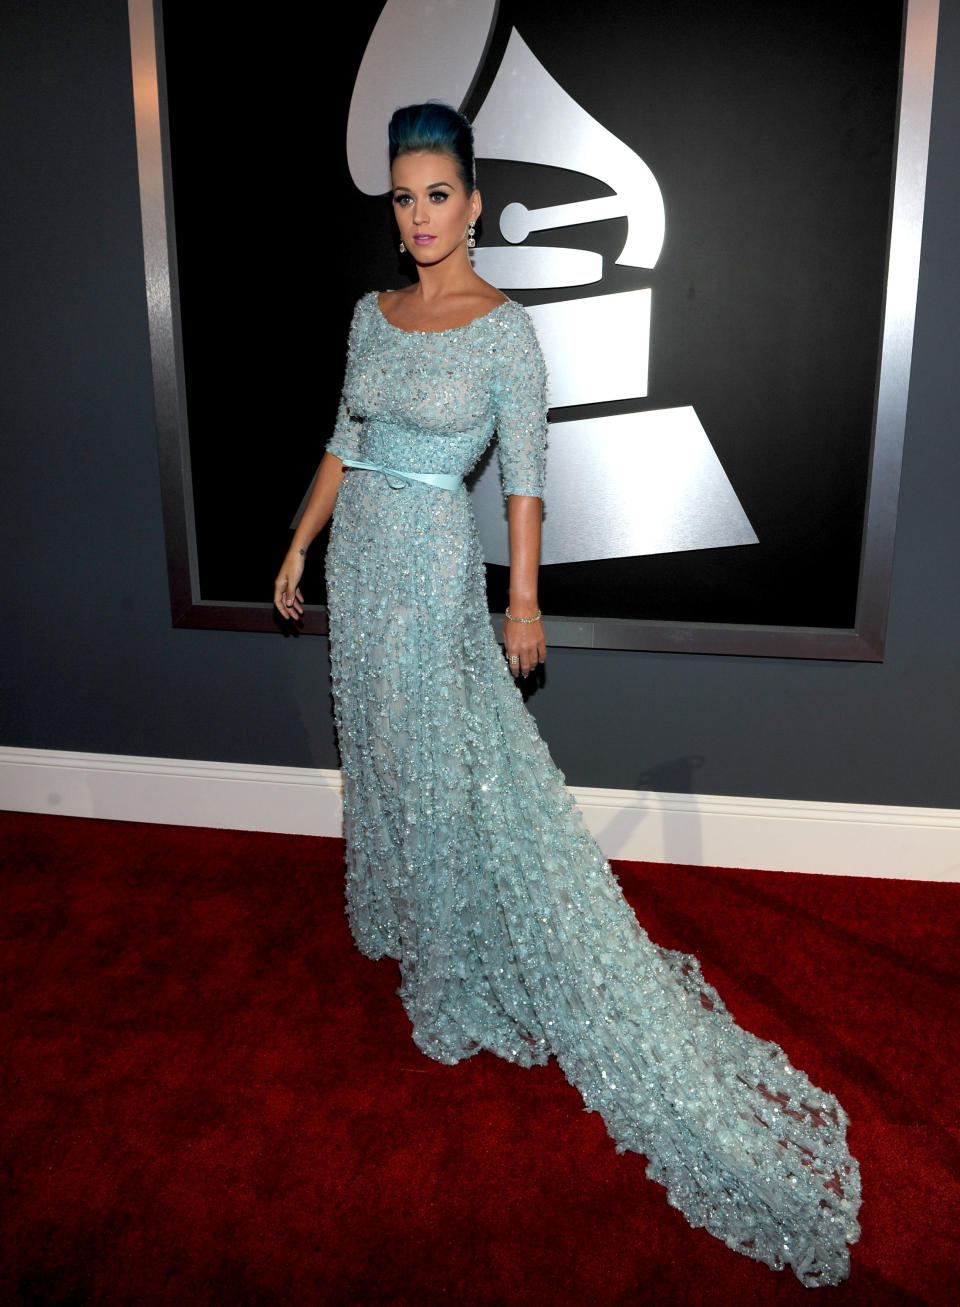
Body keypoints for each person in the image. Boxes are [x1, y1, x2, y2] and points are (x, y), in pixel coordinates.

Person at [274, 102, 861, 1287]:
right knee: (380, 746)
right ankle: (392, 908)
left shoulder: (506, 331)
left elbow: (528, 481)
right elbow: (344, 436)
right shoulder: (369, 316)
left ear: (476, 203)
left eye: (439, 193)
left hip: (435, 556)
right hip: (360, 552)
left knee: (438, 752)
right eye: (403, 195)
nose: (420, 214)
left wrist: (524, 602)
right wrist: (297, 544)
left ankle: (445, 957)